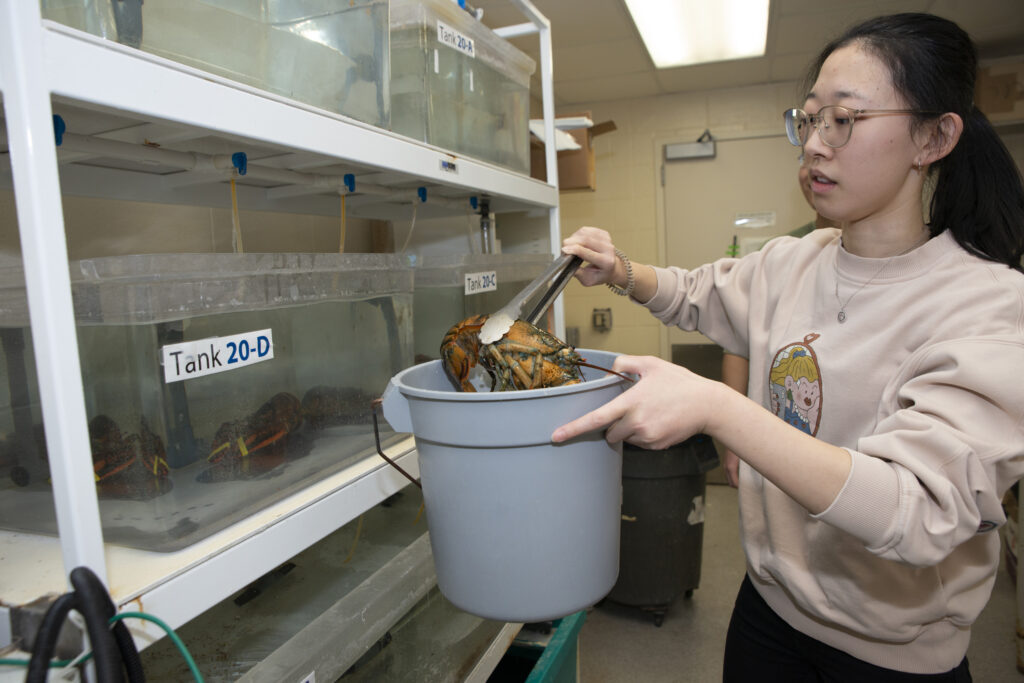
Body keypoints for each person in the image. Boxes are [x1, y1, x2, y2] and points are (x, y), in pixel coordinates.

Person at [555, 12, 1024, 681]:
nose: (814, 145)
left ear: (933, 136)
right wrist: (622, 270)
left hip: (892, 655)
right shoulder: (791, 262)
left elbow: (917, 508)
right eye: (808, 121)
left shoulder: (989, 304)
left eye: (845, 120)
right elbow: (699, 292)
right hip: (769, 612)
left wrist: (721, 410)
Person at [720, 159, 835, 487]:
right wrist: (735, 438)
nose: (813, 167)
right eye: (804, 159)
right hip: (779, 439)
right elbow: (737, 343)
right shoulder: (784, 254)